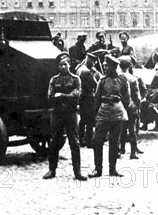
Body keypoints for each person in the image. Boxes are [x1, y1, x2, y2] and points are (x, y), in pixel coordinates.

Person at [43, 53, 87, 181]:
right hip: (57, 114)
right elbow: (50, 97)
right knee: (54, 142)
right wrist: (67, 96)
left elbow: (77, 95)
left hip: (71, 114)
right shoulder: (53, 80)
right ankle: (52, 170)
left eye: (65, 64)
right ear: (58, 66)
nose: (63, 67)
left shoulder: (75, 80)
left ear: (70, 65)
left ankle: (77, 171)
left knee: (74, 142)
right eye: (61, 65)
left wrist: (61, 95)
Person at [89, 55, 130, 178]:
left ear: (115, 67)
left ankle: (113, 170)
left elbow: (126, 98)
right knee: (97, 141)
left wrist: (120, 106)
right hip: (103, 114)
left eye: (109, 66)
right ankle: (98, 169)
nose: (106, 68)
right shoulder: (102, 81)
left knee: (114, 143)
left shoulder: (122, 80)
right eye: (105, 66)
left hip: (117, 115)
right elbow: (96, 99)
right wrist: (96, 114)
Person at [118, 56, 143, 159]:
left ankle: (121, 149)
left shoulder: (117, 77)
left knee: (121, 129)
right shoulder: (133, 79)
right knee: (132, 129)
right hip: (131, 106)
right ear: (129, 66)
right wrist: (138, 107)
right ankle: (133, 152)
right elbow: (137, 96)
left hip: (120, 106)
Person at [76, 53, 100, 148]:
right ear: (89, 60)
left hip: (82, 97)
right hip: (89, 97)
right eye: (93, 62)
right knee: (90, 120)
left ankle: (81, 139)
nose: (94, 64)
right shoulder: (86, 71)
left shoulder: (79, 69)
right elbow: (95, 84)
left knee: (83, 120)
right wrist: (94, 73)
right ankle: (89, 141)